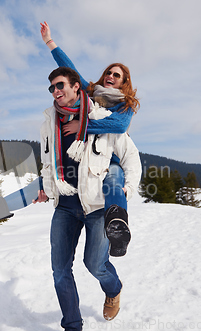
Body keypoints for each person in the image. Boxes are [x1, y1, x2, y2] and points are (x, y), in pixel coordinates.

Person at [33, 66, 141, 331]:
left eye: (60, 86)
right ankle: (72, 326)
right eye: (52, 88)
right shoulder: (49, 123)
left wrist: (127, 187)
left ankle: (113, 288)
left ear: (76, 87)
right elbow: (48, 161)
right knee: (60, 271)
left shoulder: (102, 118)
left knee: (95, 264)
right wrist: (46, 187)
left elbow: (129, 156)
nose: (56, 92)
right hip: (66, 207)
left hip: (95, 206)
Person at [40, 21, 140, 256]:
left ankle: (118, 227)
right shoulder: (92, 92)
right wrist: (49, 42)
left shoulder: (125, 105)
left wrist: (82, 127)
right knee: (46, 180)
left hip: (112, 155)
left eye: (117, 75)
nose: (111, 76)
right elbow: (69, 70)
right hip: (89, 155)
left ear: (124, 82)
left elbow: (119, 125)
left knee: (113, 183)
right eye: (108, 72)